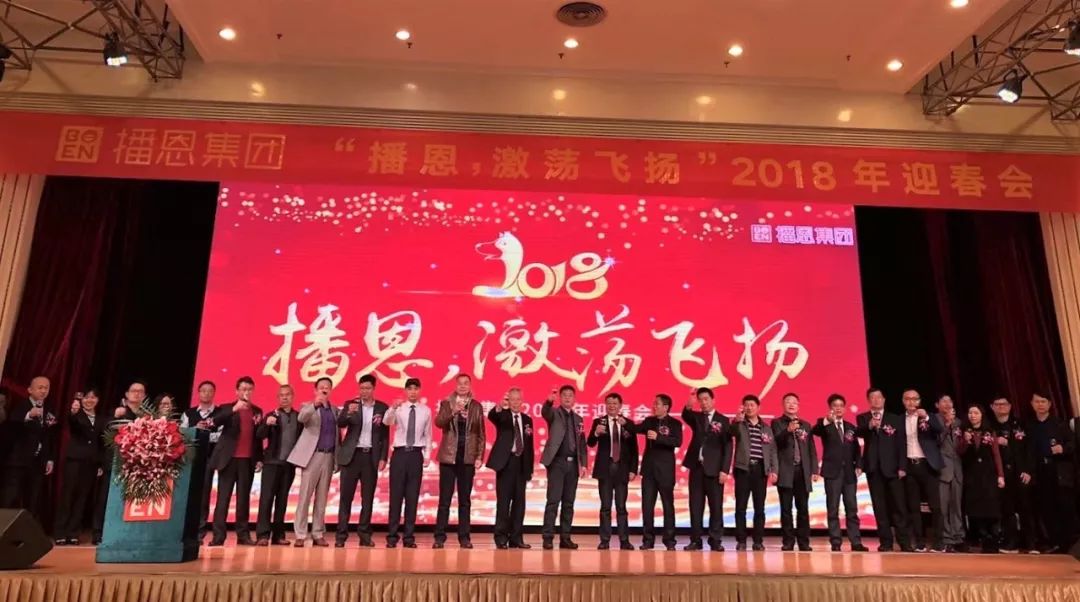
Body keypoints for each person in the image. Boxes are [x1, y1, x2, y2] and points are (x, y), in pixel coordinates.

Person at [207, 376, 263, 546]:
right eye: (243, 389)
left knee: (243, 500)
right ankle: (218, 536)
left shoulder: (257, 411)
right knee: (223, 499)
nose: (246, 392)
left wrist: (259, 458)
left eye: (249, 389)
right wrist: (234, 409)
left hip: (247, 460)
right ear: (237, 391)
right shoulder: (226, 408)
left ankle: (243, 535)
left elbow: (258, 438)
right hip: (228, 459)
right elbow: (214, 423)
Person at [336, 374, 389, 548]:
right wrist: (348, 412)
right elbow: (340, 423)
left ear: (373, 389)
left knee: (367, 498)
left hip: (370, 457)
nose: (364, 391)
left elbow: (385, 435)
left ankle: (364, 534)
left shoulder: (382, 407)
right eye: (362, 388)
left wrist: (383, 457)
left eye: (367, 388)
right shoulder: (351, 404)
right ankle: (341, 535)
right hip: (351, 456)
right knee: (345, 497)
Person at [432, 373, 486, 549]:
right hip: (449, 457)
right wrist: (453, 411)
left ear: (470, 386)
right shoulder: (447, 403)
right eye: (460, 383)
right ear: (455, 386)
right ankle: (439, 537)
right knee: (444, 500)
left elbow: (481, 434)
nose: (463, 386)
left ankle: (464, 537)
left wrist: (479, 456)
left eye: (466, 383)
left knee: (465, 501)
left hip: (467, 458)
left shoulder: (476, 406)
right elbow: (439, 422)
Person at [856, 388, 912, 551]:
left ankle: (904, 542)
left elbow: (901, 443)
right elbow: (859, 432)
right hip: (873, 468)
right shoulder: (863, 418)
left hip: (893, 468)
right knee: (880, 507)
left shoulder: (894, 418)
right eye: (872, 398)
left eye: (878, 397)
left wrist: (902, 466)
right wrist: (870, 426)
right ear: (868, 401)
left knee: (899, 506)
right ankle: (886, 542)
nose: (876, 400)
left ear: (884, 400)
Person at [94, 380, 148, 544]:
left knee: (131, 500)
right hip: (115, 462)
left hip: (136, 464)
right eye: (134, 391)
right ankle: (99, 532)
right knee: (106, 498)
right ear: (126, 394)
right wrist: (115, 417)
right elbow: (102, 430)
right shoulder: (117, 411)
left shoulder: (147, 416)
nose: (137, 394)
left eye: (140, 391)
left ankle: (125, 532)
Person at [812, 393, 867, 552]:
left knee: (852, 508)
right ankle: (836, 542)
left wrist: (859, 465)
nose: (838, 408)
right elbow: (816, 431)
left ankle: (856, 542)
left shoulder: (850, 427)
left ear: (844, 408)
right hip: (832, 473)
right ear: (830, 408)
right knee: (833, 508)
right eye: (835, 406)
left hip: (849, 473)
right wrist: (827, 421)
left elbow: (856, 449)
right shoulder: (825, 424)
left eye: (841, 406)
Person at [628, 393, 683, 550]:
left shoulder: (675, 423)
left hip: (665, 470)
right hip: (649, 470)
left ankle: (669, 540)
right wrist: (624, 421)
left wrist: (658, 437)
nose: (654, 406)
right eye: (654, 404)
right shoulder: (649, 421)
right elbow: (635, 428)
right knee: (647, 506)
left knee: (668, 506)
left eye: (657, 404)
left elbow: (677, 442)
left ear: (666, 407)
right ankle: (648, 540)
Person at [286, 378, 337, 547]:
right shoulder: (307, 406)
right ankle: (300, 534)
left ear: (331, 390)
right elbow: (302, 418)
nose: (324, 390)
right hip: (312, 456)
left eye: (327, 387)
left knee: (322, 498)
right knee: (305, 496)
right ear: (315, 390)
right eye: (321, 387)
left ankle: (317, 533)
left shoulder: (334, 410)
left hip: (328, 456)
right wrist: (315, 404)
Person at [680, 387, 732, 551]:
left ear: (713, 400)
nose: (703, 403)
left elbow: (728, 446)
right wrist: (690, 403)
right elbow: (685, 415)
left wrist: (725, 470)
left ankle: (715, 540)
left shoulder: (723, 420)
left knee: (716, 506)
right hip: (697, 468)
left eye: (706, 399)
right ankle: (695, 540)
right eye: (700, 400)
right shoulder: (696, 417)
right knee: (695, 506)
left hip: (715, 470)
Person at [383, 377, 433, 548]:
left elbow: (428, 434)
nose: (412, 392)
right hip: (399, 454)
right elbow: (387, 422)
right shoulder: (399, 408)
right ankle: (392, 536)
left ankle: (409, 537)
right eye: (409, 388)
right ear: (405, 391)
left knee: (412, 497)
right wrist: (392, 408)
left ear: (420, 391)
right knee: (395, 497)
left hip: (416, 455)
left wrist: (427, 455)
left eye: (415, 389)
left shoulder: (426, 410)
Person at [1025, 393, 1077, 553]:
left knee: (1065, 507)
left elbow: (1073, 443)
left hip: (1058, 471)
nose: (1040, 404)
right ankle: (1055, 543)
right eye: (1037, 401)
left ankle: (1071, 543)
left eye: (1043, 401)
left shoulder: (1059, 423)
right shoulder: (1029, 426)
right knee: (1046, 508)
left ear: (1049, 404)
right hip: (1040, 471)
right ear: (1032, 404)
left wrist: (1063, 448)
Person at [587, 392, 639, 550]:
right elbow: (590, 443)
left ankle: (624, 540)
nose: (611, 406)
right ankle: (604, 540)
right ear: (605, 405)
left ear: (620, 406)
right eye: (609, 403)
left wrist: (633, 470)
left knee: (621, 507)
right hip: (605, 469)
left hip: (622, 469)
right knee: (605, 507)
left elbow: (634, 449)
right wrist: (596, 433)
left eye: (615, 403)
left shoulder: (628, 423)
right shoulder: (599, 422)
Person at [54, 389, 106, 545]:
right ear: (81, 400)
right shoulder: (77, 415)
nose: (89, 400)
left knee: (82, 498)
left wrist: (100, 463)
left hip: (91, 463)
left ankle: (73, 532)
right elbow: (72, 422)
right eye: (86, 397)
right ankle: (60, 532)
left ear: (98, 400)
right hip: (74, 460)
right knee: (68, 496)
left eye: (93, 397)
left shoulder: (101, 419)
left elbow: (101, 443)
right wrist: (73, 412)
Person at [539, 384, 588, 550]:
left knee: (568, 503)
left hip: (573, 464)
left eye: (570, 395)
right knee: (553, 501)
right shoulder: (554, 413)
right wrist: (548, 402)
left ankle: (565, 538)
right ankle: (548, 537)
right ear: (560, 398)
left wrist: (584, 464)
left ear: (574, 399)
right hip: (557, 463)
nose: (567, 397)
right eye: (564, 395)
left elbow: (582, 443)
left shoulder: (579, 419)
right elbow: (545, 412)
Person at [0, 376, 56, 519]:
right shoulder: (21, 406)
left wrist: (50, 459)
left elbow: (49, 435)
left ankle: (27, 528)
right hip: (18, 460)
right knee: (10, 495)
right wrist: (28, 415)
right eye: (40, 387)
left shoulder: (49, 409)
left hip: (38, 462)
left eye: (46, 388)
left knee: (33, 498)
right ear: (30, 390)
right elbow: (11, 425)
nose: (43, 391)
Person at [486, 387, 534, 549]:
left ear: (522, 401)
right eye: (512, 399)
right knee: (504, 503)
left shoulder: (527, 420)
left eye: (518, 399)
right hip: (505, 464)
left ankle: (516, 538)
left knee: (519, 504)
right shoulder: (503, 416)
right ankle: (500, 537)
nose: (515, 403)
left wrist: (529, 469)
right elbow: (492, 416)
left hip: (521, 465)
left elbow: (529, 446)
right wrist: (500, 406)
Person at [988, 397, 1036, 553]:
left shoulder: (1020, 424)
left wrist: (1028, 470)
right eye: (997, 404)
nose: (1001, 407)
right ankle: (1011, 543)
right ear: (992, 407)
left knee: (1026, 508)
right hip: (1001, 474)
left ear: (1010, 406)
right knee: (1006, 509)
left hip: (1020, 472)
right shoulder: (989, 426)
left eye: (1004, 404)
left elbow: (1029, 449)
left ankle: (1031, 544)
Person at [730, 394, 778, 551]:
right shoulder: (740, 424)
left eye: (752, 405)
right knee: (740, 507)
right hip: (743, 469)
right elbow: (730, 433)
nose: (749, 407)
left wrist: (774, 470)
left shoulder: (766, 428)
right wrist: (736, 421)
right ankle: (741, 540)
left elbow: (772, 451)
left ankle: (758, 541)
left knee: (759, 508)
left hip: (760, 470)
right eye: (746, 405)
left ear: (758, 407)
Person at [899, 389, 945, 552]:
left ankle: (939, 542)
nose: (911, 402)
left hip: (928, 465)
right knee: (913, 507)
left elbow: (940, 430)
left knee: (935, 506)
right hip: (910, 465)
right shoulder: (899, 419)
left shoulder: (929, 416)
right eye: (907, 399)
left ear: (919, 401)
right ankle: (919, 542)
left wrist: (926, 417)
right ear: (903, 401)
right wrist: (901, 467)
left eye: (914, 399)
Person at [254, 384, 299, 546]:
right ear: (278, 398)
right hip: (272, 463)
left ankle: (278, 535)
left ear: (292, 396)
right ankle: (263, 535)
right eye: (281, 395)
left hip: (289, 465)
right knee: (266, 499)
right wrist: (267, 424)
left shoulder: (298, 417)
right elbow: (259, 435)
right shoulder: (271, 415)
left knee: (282, 500)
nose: (284, 397)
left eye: (287, 394)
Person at [772, 392, 818, 552]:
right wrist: (787, 430)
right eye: (788, 402)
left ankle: (804, 542)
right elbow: (776, 443)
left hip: (802, 472)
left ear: (798, 406)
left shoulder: (805, 425)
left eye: (794, 402)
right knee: (786, 510)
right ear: (783, 405)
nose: (791, 405)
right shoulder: (777, 423)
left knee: (803, 509)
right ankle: (788, 542)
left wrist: (814, 469)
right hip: (785, 471)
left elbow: (811, 449)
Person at [958, 404, 1006, 553]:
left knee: (991, 508)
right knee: (976, 509)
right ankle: (981, 538)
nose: (972, 415)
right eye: (970, 413)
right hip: (972, 476)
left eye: (976, 413)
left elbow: (996, 454)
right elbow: (959, 452)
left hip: (989, 475)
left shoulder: (989, 432)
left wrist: (1000, 475)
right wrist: (965, 440)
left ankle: (993, 540)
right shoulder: (964, 431)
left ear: (981, 415)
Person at [180, 380, 222, 541]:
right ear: (198, 393)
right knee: (187, 493)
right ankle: (185, 528)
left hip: (209, 458)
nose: (206, 393)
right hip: (189, 459)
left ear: (214, 393)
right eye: (203, 390)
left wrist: (204, 435)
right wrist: (195, 431)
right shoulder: (189, 413)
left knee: (204, 494)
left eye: (210, 391)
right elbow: (182, 433)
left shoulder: (219, 413)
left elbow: (221, 435)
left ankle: (200, 529)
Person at [936, 395, 967, 553]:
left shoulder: (959, 423)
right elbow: (935, 443)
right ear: (937, 405)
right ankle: (946, 538)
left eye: (950, 401)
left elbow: (961, 449)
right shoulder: (933, 420)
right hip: (942, 468)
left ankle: (958, 537)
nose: (947, 404)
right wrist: (947, 424)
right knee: (943, 506)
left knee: (956, 505)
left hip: (957, 468)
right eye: (944, 401)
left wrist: (966, 441)